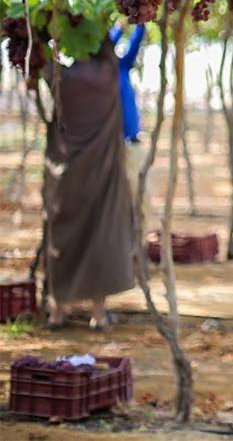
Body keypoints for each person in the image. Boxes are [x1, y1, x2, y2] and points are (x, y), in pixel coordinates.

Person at [42, 35, 136, 331]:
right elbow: (108, 41)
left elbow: (40, 58)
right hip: (102, 177)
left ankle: (57, 312)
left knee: (62, 239)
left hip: (66, 178)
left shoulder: (61, 78)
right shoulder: (108, 74)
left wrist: (52, 22)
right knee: (101, 238)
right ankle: (98, 314)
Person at [109, 24, 146, 197]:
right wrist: (119, 29)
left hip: (132, 142)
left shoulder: (123, 67)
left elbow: (136, 42)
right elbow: (107, 44)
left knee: (136, 190)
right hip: (111, 144)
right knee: (115, 193)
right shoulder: (101, 74)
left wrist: (139, 22)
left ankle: (138, 223)